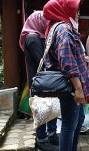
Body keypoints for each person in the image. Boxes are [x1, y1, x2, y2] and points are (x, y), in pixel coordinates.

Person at [43, 0, 89, 151]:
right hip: (71, 87)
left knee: (77, 121)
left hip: (72, 86)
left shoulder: (57, 27)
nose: (78, 14)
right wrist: (78, 89)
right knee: (69, 125)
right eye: (76, 10)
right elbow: (67, 61)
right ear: (65, 10)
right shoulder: (64, 29)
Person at [19, 10, 59, 151]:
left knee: (51, 107)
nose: (47, 23)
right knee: (41, 110)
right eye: (45, 20)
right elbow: (42, 60)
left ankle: (52, 134)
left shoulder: (42, 36)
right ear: (37, 21)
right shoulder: (32, 37)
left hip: (46, 80)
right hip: (39, 81)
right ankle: (42, 139)